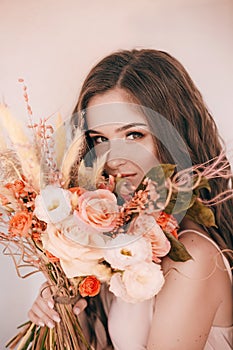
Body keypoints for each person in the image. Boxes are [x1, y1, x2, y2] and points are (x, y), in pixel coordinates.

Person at [28, 49, 233, 349]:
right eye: (100, 139)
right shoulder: (118, 237)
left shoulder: (193, 259)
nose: (113, 159)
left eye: (134, 135)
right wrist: (63, 310)